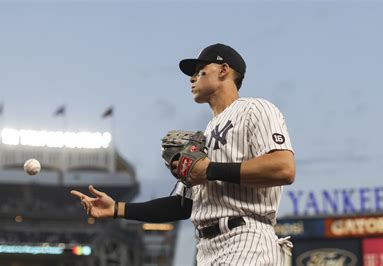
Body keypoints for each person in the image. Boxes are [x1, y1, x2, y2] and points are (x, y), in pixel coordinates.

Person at [71, 43, 296, 265]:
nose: (191, 78)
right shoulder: (202, 137)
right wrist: (117, 209)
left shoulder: (255, 109)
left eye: (200, 71)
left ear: (224, 70)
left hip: (247, 238)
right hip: (207, 248)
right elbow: (182, 205)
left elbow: (283, 168)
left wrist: (209, 170)